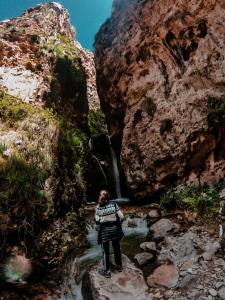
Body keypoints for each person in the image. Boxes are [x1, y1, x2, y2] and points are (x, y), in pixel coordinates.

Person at [95, 189, 124, 278]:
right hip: (115, 230)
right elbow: (122, 216)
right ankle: (119, 266)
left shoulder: (98, 207)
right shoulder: (114, 204)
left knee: (105, 252)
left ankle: (107, 271)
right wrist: (118, 224)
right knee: (116, 248)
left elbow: (97, 221)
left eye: (100, 195)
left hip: (104, 232)